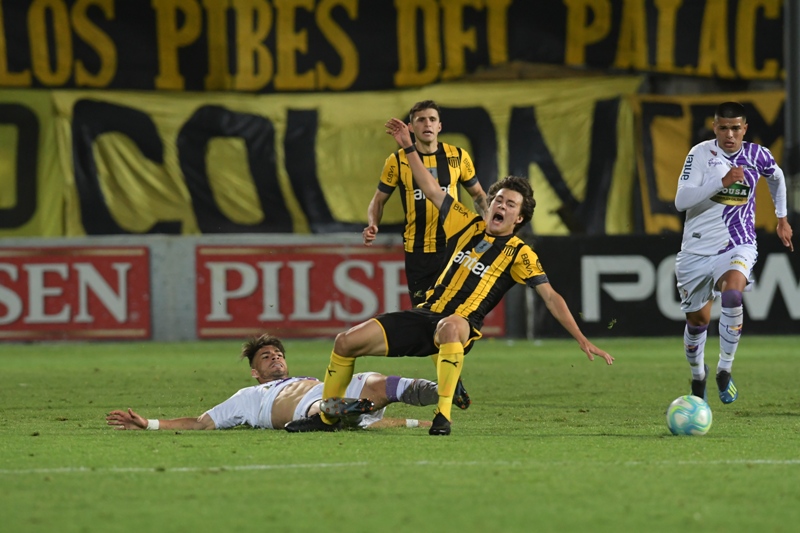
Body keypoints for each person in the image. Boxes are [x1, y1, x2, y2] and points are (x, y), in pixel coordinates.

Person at [285, 118, 614, 436]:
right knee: (345, 341)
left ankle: (443, 415)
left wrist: (581, 338)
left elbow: (551, 297)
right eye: (498, 199)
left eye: (510, 203)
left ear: (519, 217)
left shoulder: (519, 253)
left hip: (461, 325)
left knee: (449, 325)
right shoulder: (467, 223)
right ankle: (327, 416)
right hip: (424, 315)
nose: (500, 204)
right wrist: (408, 147)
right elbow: (430, 187)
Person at [674, 101, 793, 404]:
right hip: (696, 250)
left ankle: (724, 369)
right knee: (698, 321)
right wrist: (720, 182)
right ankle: (699, 374)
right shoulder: (700, 154)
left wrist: (782, 217)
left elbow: (777, 178)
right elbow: (681, 201)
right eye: (723, 127)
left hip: (737, 243)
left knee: (732, 295)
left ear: (745, 129)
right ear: (714, 127)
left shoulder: (757, 155)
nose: (729, 134)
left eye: (735, 128)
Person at [105, 333, 453, 432]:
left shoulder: (308, 378)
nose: (274, 358)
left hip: (331, 393)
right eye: (265, 357)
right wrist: (148, 423)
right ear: (255, 372)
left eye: (277, 354)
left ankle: (438, 390)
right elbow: (200, 423)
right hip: (305, 406)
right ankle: (331, 415)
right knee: (322, 406)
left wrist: (418, 421)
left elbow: (376, 423)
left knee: (374, 380)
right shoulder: (248, 395)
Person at [363, 100, 488, 306]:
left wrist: (488, 221)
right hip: (418, 251)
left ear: (439, 126)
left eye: (432, 119)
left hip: (455, 247)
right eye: (421, 120)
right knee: (423, 311)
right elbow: (378, 200)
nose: (427, 124)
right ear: (411, 128)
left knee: (456, 309)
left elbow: (478, 195)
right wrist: (373, 223)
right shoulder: (397, 161)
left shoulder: (458, 156)